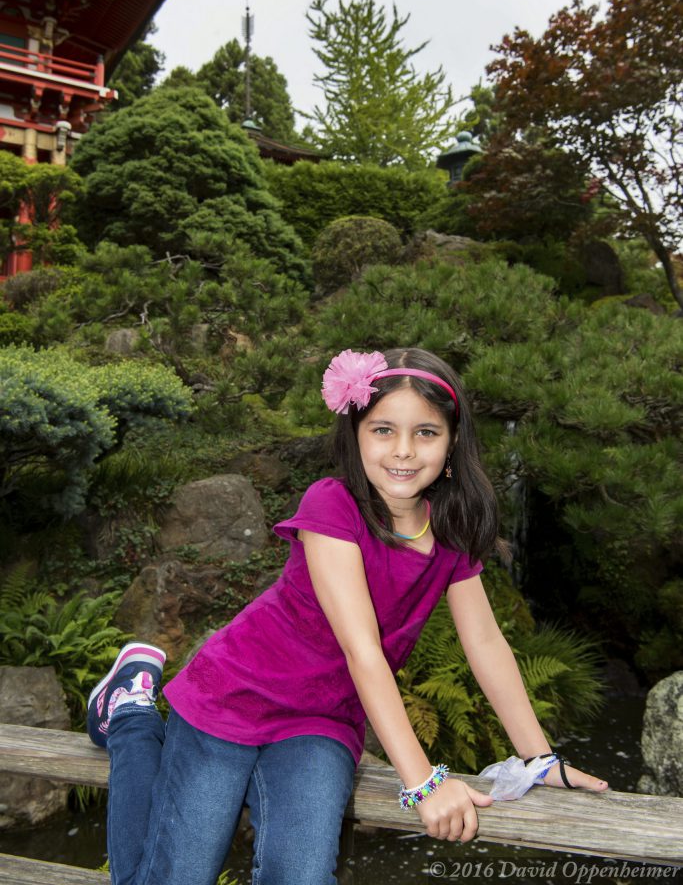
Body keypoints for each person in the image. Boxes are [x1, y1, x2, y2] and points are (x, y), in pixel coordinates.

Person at [87, 346, 608, 885]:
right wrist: (424, 782)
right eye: (383, 429)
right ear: (355, 435)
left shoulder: (451, 528)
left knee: (303, 876)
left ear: (453, 444)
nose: (403, 451)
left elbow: (486, 643)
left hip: (321, 720)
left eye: (426, 433)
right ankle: (130, 715)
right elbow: (363, 651)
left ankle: (131, 710)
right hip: (232, 696)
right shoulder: (331, 505)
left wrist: (537, 760)